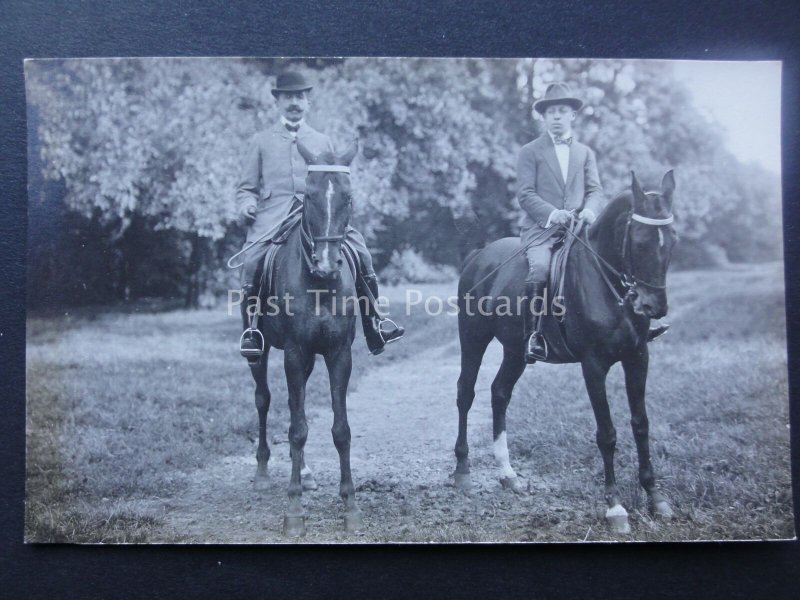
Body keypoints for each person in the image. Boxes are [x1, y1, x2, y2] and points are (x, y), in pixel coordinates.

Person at [236, 71, 404, 361]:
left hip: (318, 218)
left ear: (307, 102)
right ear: (277, 101)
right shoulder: (261, 141)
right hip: (272, 218)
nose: (294, 102)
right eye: (288, 96)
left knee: (361, 252)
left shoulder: (321, 140)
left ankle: (375, 323)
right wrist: (246, 205)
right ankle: (252, 333)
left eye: (300, 97)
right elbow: (246, 188)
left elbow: (335, 182)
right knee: (251, 262)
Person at [516, 82, 667, 363]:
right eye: (551, 112)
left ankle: (638, 326)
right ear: (544, 117)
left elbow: (595, 190)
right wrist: (552, 213)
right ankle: (534, 336)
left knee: (621, 262)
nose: (557, 116)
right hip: (541, 230)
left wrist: (589, 210)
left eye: (562, 111)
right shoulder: (530, 151)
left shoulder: (585, 153)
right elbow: (525, 194)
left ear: (572, 115)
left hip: (579, 228)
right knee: (540, 269)